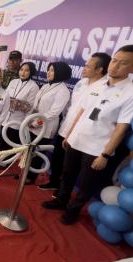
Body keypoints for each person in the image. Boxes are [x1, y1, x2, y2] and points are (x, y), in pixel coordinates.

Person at [42, 45, 133, 225]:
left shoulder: (130, 92)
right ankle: (61, 200)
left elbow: (121, 128)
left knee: (85, 183)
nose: (114, 66)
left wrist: (105, 154)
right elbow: (82, 111)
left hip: (97, 148)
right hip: (77, 139)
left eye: (122, 64)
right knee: (67, 174)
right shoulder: (98, 84)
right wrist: (70, 134)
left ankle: (73, 210)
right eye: (114, 60)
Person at [38, 53, 111, 192]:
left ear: (99, 69)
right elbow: (72, 106)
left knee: (70, 167)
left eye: (88, 66)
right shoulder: (81, 83)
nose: (84, 68)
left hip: (80, 133)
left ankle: (62, 191)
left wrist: (73, 131)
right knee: (58, 159)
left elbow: (92, 114)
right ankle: (54, 182)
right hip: (65, 126)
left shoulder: (105, 88)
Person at [26, 62, 71, 183]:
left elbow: (53, 113)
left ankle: (31, 177)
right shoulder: (46, 86)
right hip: (34, 122)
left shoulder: (63, 91)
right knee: (29, 150)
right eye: (48, 70)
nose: (48, 72)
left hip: (46, 127)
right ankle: (25, 171)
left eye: (52, 70)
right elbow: (36, 104)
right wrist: (30, 119)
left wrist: (36, 123)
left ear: (60, 72)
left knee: (38, 153)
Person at [0, 62, 39, 150]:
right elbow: (5, 96)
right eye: (21, 70)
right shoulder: (13, 81)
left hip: (17, 122)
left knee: (10, 146)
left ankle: (4, 163)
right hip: (5, 119)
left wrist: (14, 102)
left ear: (31, 72)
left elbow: (30, 107)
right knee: (0, 145)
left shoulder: (34, 87)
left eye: (26, 70)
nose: (23, 72)